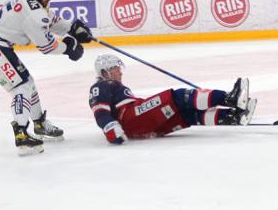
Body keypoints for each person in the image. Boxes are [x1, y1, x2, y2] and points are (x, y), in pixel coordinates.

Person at [0, 0, 93, 154]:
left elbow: (49, 19)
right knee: (21, 87)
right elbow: (47, 46)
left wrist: (71, 27)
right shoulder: (33, 13)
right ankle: (21, 134)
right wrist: (70, 48)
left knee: (28, 82)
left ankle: (39, 124)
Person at [89, 55, 256, 144]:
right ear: (105, 72)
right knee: (179, 97)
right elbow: (100, 111)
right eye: (116, 69)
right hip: (132, 118)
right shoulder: (101, 85)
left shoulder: (113, 85)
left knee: (187, 115)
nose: (120, 72)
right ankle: (230, 99)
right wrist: (110, 128)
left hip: (138, 125)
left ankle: (232, 117)